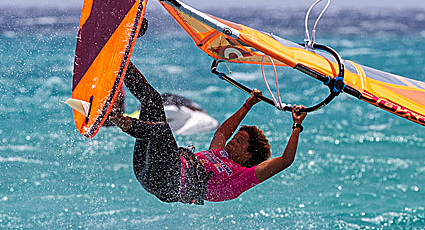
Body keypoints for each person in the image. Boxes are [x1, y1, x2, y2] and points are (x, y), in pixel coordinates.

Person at [108, 62, 306, 204]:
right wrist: (248, 104)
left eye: (240, 142)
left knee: (161, 130)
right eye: (236, 137)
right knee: (153, 101)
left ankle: (115, 117)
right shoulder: (219, 152)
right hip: (147, 168)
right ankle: (120, 62)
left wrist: (296, 126)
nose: (233, 141)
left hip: (169, 183)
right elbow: (222, 132)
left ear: (248, 155)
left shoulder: (241, 177)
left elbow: (285, 161)